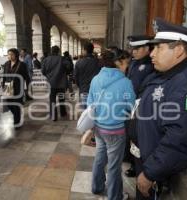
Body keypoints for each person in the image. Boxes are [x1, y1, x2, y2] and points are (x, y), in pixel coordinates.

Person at [131, 18, 187, 199]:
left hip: (158, 172)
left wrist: (150, 172)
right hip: (148, 160)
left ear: (179, 50)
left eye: (159, 47)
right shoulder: (168, 75)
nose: (152, 54)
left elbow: (181, 137)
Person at [88, 50, 135, 200]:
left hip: (99, 128)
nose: (127, 66)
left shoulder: (96, 79)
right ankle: (115, 196)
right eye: (126, 63)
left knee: (100, 159)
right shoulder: (125, 82)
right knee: (114, 166)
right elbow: (131, 106)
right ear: (118, 62)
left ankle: (96, 187)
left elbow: (90, 104)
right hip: (115, 130)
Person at [125, 35, 155, 178]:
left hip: (140, 105)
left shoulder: (151, 65)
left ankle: (136, 165)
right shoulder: (134, 63)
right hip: (129, 102)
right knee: (130, 133)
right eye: (132, 48)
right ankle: (131, 160)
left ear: (147, 49)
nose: (133, 51)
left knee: (137, 136)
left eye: (137, 49)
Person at [3, 48, 31, 129]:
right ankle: (16, 115)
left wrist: (28, 87)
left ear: (16, 55)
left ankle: (17, 122)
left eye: (12, 54)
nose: (10, 56)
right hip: (8, 87)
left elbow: (27, 77)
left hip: (18, 87)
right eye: (8, 54)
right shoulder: (6, 64)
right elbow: (4, 76)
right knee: (9, 104)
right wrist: (3, 86)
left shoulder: (22, 65)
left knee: (16, 105)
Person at [41, 46, 70, 121]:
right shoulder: (62, 59)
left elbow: (43, 71)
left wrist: (48, 76)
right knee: (61, 98)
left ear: (51, 51)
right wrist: (64, 72)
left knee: (52, 99)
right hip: (61, 83)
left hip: (51, 83)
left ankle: (53, 116)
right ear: (58, 51)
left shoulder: (46, 59)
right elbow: (69, 67)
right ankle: (63, 113)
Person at [74, 42, 100, 109]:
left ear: (85, 50)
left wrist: (80, 86)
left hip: (84, 89)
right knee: (95, 110)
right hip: (96, 90)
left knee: (85, 112)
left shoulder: (79, 62)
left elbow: (76, 77)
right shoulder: (99, 62)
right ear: (92, 50)